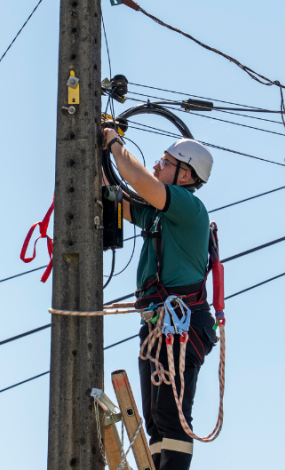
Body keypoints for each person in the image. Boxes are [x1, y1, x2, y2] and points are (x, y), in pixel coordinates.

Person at [101, 127, 218, 470]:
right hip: (158, 325)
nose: (156, 166)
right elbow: (116, 196)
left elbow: (137, 179)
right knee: (155, 419)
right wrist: (95, 154)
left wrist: (113, 142)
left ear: (185, 175)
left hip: (181, 324)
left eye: (164, 162)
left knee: (171, 414)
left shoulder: (187, 206)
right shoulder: (157, 212)